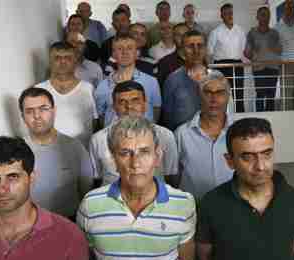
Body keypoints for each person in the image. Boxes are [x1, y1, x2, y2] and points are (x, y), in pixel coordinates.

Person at [78, 116, 196, 260]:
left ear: (157, 156)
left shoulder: (183, 203)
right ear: (113, 160)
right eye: (125, 153)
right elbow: (87, 258)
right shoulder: (90, 204)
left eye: (144, 152)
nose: (135, 163)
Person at [197, 117, 294, 260]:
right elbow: (205, 257)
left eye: (266, 154)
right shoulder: (211, 203)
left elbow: (290, 248)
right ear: (230, 161)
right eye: (248, 157)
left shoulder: (292, 198)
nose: (260, 166)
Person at [19, 87, 93, 219]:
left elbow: (86, 193)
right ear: (23, 116)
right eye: (30, 111)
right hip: (33, 227)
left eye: (43, 109)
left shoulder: (74, 147)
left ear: (54, 111)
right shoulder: (17, 151)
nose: (37, 116)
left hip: (70, 223)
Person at [89, 80, 178, 188]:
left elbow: (170, 176)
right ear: (114, 107)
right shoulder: (98, 139)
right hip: (110, 200)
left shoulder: (166, 136)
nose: (129, 106)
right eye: (122, 102)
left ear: (145, 105)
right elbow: (97, 178)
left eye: (135, 101)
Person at [174, 71, 233, 201]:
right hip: (193, 208)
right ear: (199, 96)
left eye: (220, 93)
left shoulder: (239, 132)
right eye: (208, 93)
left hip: (233, 207)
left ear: (228, 97)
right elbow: (174, 176)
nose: (214, 99)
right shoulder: (182, 134)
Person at [35, 41, 98, 146]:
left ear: (75, 61)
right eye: (57, 58)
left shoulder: (88, 89)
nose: (62, 62)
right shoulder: (39, 90)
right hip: (49, 151)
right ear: (50, 61)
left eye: (68, 58)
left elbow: (95, 122)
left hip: (81, 153)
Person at [94, 35, 161, 127]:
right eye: (120, 48)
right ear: (113, 54)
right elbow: (101, 116)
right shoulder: (102, 86)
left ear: (137, 53)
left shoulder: (152, 82)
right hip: (114, 138)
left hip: (143, 137)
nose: (125, 52)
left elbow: (156, 111)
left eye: (129, 48)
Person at [161, 30, 207, 131]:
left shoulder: (217, 78)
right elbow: (168, 116)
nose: (196, 50)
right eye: (190, 46)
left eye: (200, 45)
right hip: (183, 139)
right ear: (182, 50)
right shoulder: (172, 80)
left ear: (205, 49)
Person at [207, 3, 246, 112]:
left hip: (237, 65)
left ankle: (240, 117)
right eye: (226, 13)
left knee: (239, 94)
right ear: (221, 16)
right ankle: (221, 116)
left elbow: (243, 50)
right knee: (221, 94)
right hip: (221, 66)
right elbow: (209, 52)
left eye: (230, 13)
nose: (229, 15)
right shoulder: (215, 32)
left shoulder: (240, 30)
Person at [245, 6, 282, 112]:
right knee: (260, 94)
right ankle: (260, 119)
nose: (265, 17)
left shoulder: (274, 33)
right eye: (262, 14)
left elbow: (280, 50)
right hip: (259, 68)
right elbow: (247, 52)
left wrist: (273, 46)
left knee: (271, 95)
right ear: (257, 17)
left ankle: (270, 119)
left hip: (273, 67)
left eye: (267, 15)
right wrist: (254, 56)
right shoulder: (252, 33)